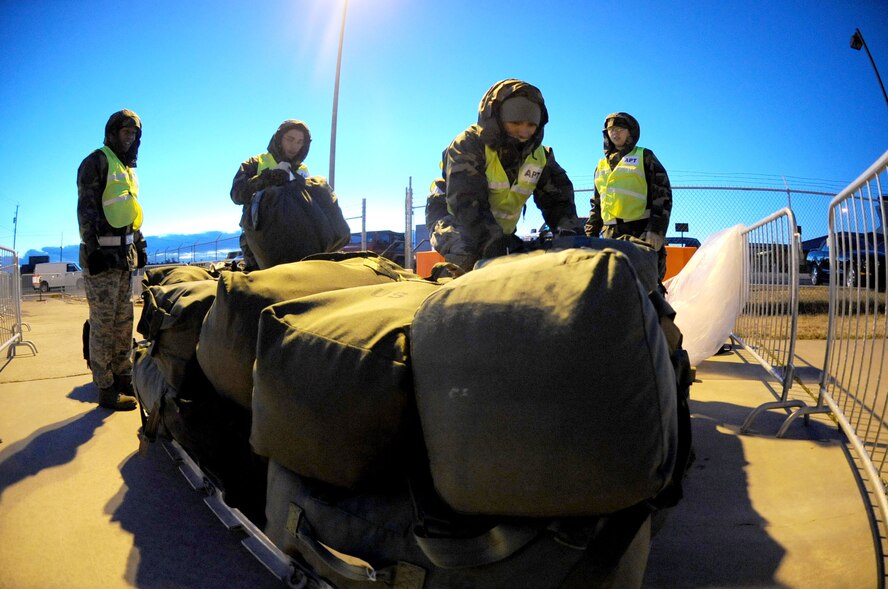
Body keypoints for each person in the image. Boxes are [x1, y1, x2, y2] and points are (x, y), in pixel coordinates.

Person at [427, 78, 581, 273]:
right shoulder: (468, 145)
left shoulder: (540, 156)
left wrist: (570, 236)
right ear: (497, 118)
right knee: (470, 257)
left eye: (531, 125)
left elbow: (559, 201)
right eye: (515, 123)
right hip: (456, 220)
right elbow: (465, 202)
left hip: (501, 230)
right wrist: (495, 244)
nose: (524, 132)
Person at [77, 109, 148, 411]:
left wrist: (140, 243)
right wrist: (93, 251)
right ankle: (105, 388)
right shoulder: (96, 161)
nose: (130, 137)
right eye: (125, 132)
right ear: (113, 132)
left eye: (134, 133)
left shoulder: (127, 168)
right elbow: (86, 209)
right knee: (103, 325)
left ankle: (123, 376)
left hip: (124, 257)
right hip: (102, 257)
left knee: (123, 322)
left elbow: (129, 212)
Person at [585, 112, 673, 280]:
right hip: (609, 235)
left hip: (640, 233)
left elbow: (663, 194)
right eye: (610, 130)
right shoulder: (601, 165)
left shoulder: (644, 156)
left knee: (646, 287)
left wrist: (656, 230)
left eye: (619, 129)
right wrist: (589, 236)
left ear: (630, 132)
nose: (614, 133)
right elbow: (597, 204)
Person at [231, 120, 311, 270]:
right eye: (290, 139)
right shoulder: (255, 162)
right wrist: (270, 177)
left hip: (296, 240)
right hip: (259, 240)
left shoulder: (303, 170)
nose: (294, 146)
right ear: (279, 138)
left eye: (300, 142)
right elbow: (237, 194)